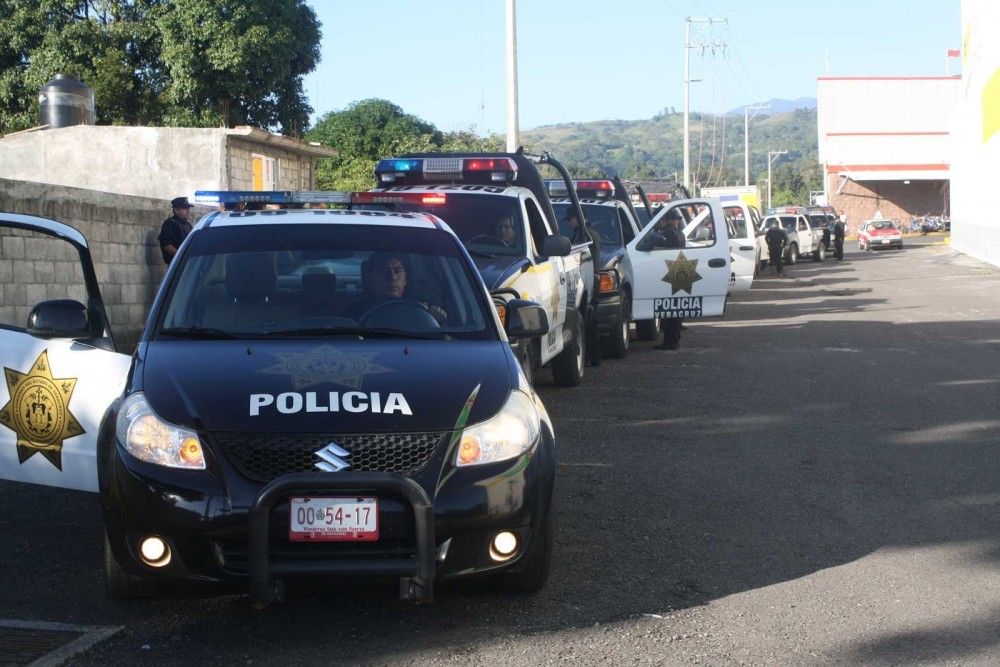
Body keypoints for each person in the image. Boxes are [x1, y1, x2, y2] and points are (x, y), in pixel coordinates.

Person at [350, 252, 447, 324]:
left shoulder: (423, 311)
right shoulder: (354, 312)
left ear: (406, 279)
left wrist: (435, 322)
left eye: (397, 271)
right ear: (371, 279)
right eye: (385, 271)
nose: (393, 277)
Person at [656, 213, 686, 351]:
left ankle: (670, 342)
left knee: (668, 310)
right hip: (679, 270)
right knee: (675, 309)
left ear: (664, 220)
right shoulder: (680, 233)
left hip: (670, 270)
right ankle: (675, 339)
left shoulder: (667, 233)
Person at [159, 196, 193, 265]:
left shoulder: (188, 225)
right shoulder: (170, 224)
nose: (188, 210)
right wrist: (182, 256)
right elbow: (167, 246)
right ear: (176, 209)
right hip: (177, 265)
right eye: (185, 208)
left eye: (188, 208)